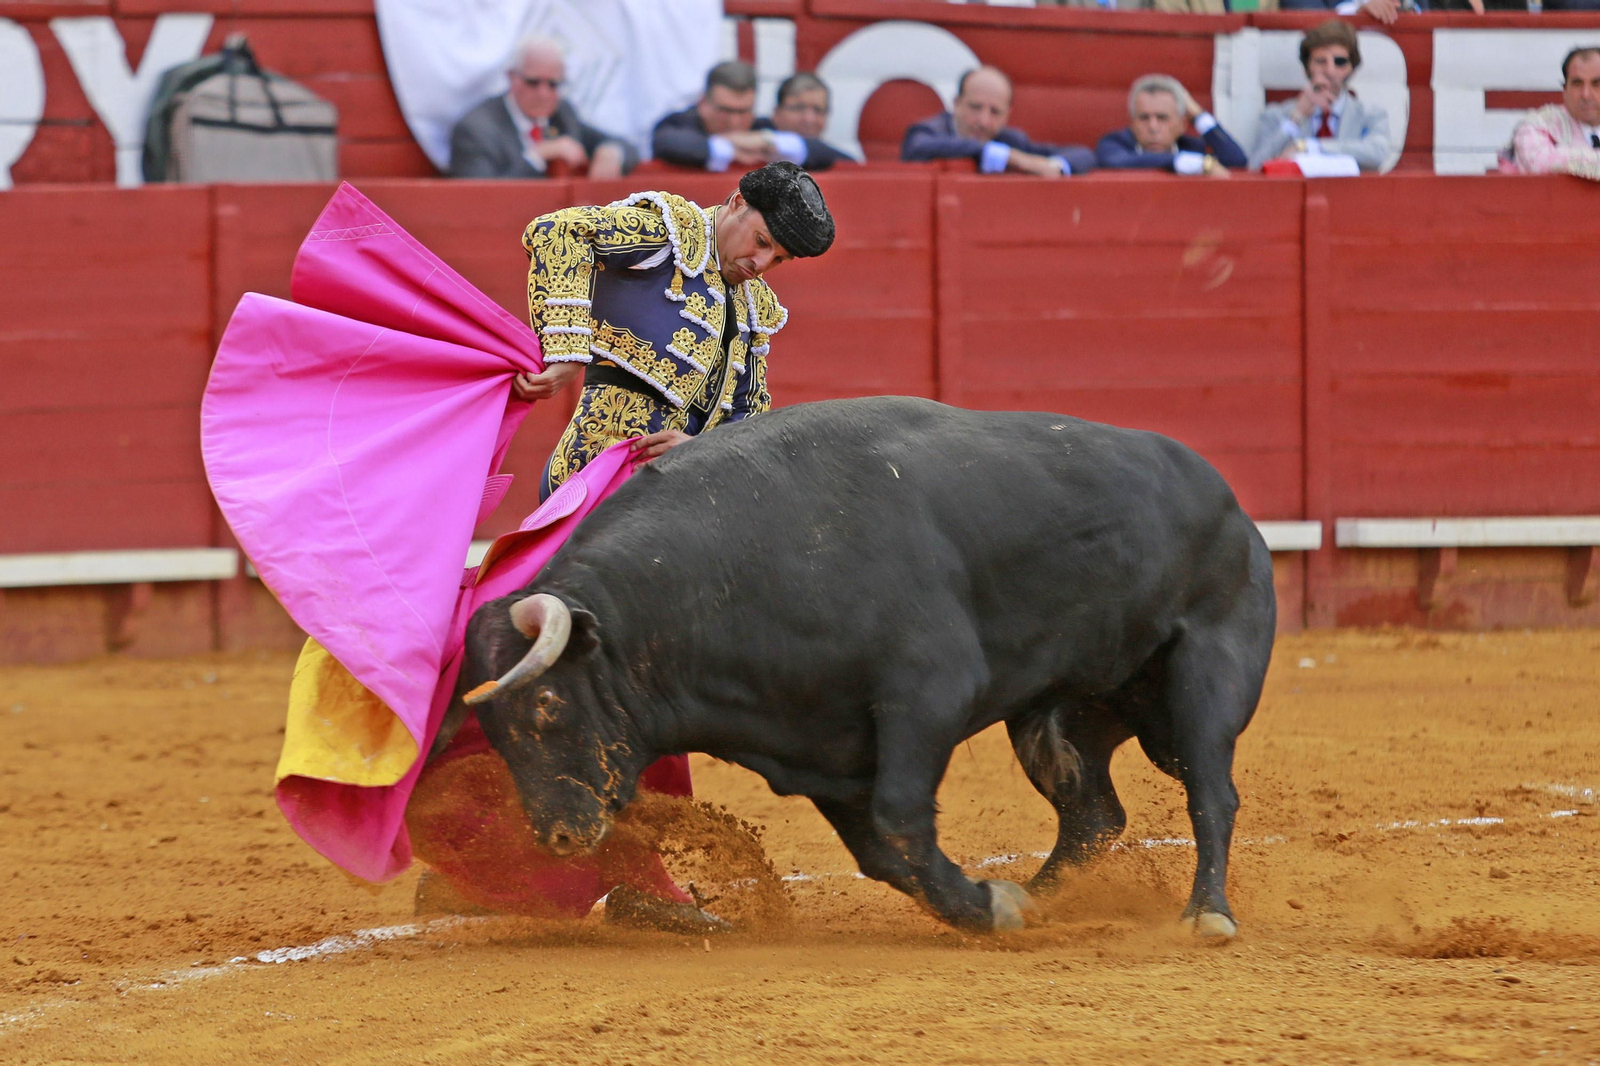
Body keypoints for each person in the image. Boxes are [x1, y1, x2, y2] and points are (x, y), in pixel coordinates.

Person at [514, 160, 835, 500]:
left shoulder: (752, 303)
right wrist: (566, 349)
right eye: (761, 241)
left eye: (778, 260)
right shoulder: (669, 234)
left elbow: (749, 412)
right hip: (601, 474)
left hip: (683, 497)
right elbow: (558, 231)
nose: (760, 264)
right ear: (738, 203)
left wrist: (703, 452)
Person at [448, 35, 634, 180]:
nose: (543, 94)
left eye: (553, 84)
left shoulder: (562, 113)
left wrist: (611, 152)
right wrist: (537, 156)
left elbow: (630, 148)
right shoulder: (476, 129)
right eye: (533, 82)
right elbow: (477, 198)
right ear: (512, 77)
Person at [1247, 20, 1392, 174]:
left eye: (1340, 62)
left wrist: (1309, 147)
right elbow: (1255, 167)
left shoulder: (1371, 115)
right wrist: (1296, 116)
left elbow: (1378, 153)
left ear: (1352, 70)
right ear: (1307, 68)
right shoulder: (1276, 115)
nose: (1330, 71)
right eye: (1321, 61)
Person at [901, 65, 1095, 177]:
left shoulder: (1010, 140)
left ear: (1007, 115)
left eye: (995, 112)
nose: (984, 121)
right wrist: (1007, 157)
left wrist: (1056, 167)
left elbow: (1083, 154)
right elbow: (918, 146)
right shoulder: (930, 131)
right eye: (975, 107)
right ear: (957, 103)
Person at [1096, 74, 1247, 177]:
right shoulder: (1114, 143)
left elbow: (1236, 160)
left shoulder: (1191, 147)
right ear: (1132, 123)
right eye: (1143, 118)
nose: (1153, 127)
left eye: (1162, 118)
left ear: (1182, 125)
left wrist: (1198, 115)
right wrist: (1182, 162)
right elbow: (1116, 161)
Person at [651, 61, 775, 171]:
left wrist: (768, 141)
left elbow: (791, 139)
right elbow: (665, 142)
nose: (734, 121)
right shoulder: (678, 124)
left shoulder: (762, 126)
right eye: (725, 110)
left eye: (743, 111)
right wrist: (728, 148)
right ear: (703, 102)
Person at [1503, 46, 1600, 181]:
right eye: (1577, 83)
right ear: (1565, 89)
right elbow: (1539, 161)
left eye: (1597, 83)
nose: (1586, 95)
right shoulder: (1537, 125)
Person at [753, 72, 856, 171]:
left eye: (818, 110)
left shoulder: (844, 164)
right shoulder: (749, 138)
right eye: (799, 108)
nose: (809, 119)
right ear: (777, 113)